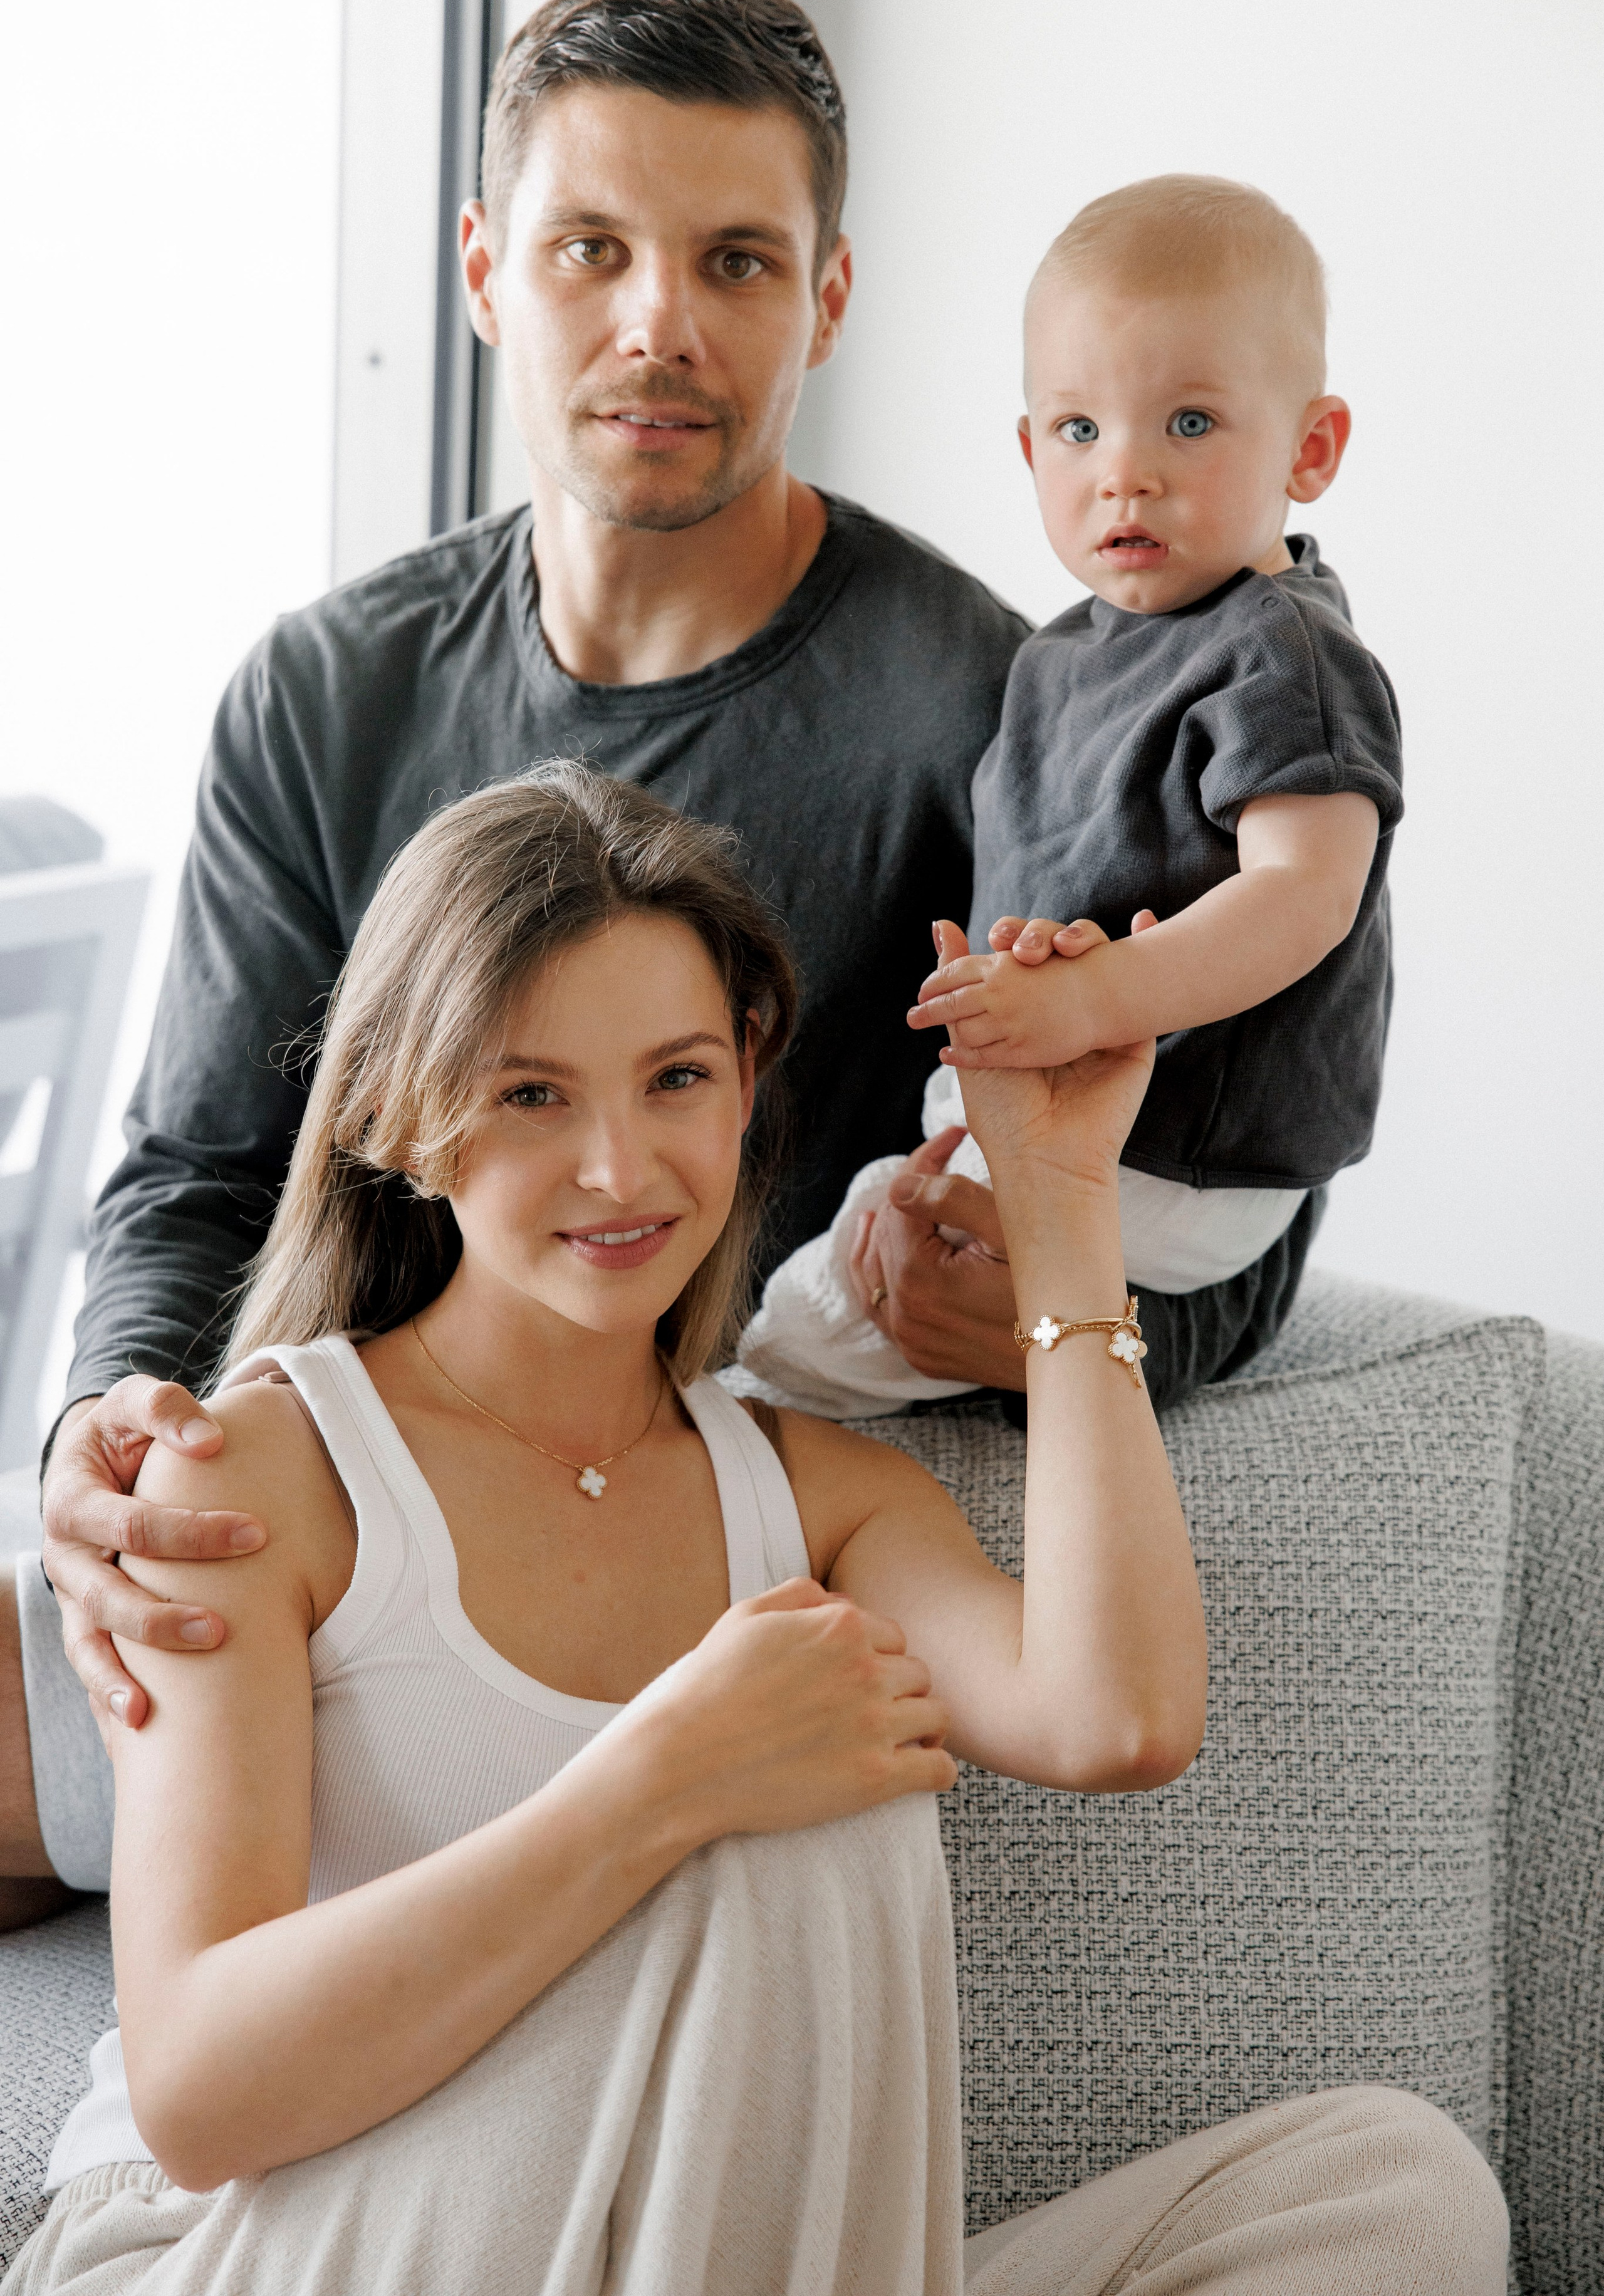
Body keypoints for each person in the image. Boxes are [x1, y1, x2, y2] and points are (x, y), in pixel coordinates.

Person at [0, 0, 1319, 1916]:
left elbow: (1230, 1191)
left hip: (631, 1578)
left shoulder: (994, 705)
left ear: (828, 301)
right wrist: (106, 1428)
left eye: (734, 263)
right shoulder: (323, 692)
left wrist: (1036, 1325)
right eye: (591, 250)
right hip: (298, 1527)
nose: (657, 326)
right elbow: (195, 1180)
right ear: (481, 268)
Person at [2, 767, 1504, 2295]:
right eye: (533, 1094)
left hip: (693, 2257)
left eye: (675, 1079)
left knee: (1388, 2193)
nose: (619, 1168)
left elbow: (1118, 1716)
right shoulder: (249, 1471)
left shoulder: (818, 1495)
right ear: (408, 1114)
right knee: (797, 1778)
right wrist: (665, 1777)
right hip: (249, 2245)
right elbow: (200, 2096)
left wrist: (1056, 1200)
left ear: (747, 1073)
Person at [738, 175, 1400, 1418]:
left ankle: (743, 1443)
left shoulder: (1282, 656)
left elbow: (1303, 894)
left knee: (830, 1330)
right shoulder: (1053, 659)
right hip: (1035, 1116)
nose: (1125, 476)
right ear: (1031, 447)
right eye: (1079, 431)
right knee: (855, 1252)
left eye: (1188, 424)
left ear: (1308, 450)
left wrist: (1094, 996)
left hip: (1179, 1156)